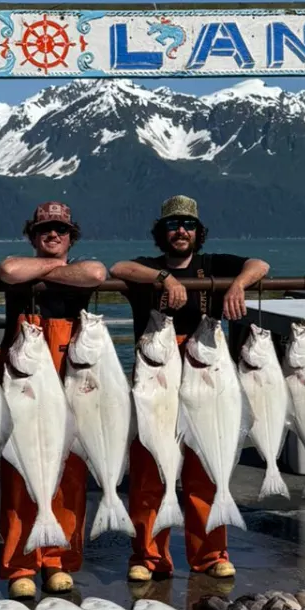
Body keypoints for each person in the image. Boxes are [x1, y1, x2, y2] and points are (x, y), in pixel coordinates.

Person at [109, 194, 270, 584]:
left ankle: (211, 553)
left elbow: (260, 264)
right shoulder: (147, 269)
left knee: (205, 468)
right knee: (150, 469)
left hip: (206, 375)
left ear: (199, 232)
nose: (181, 232)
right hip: (157, 376)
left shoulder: (214, 266)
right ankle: (147, 556)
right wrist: (164, 278)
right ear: (161, 233)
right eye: (172, 226)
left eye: (188, 226)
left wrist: (237, 286)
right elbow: (117, 267)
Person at [0, 201, 106, 600]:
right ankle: (20, 564)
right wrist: (57, 270)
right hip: (24, 378)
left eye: (60, 230)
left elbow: (95, 273)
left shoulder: (83, 269)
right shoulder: (17, 267)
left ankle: (59, 560)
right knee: (20, 469)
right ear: (32, 235)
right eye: (44, 230)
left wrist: (43, 271)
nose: (53, 235)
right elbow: (8, 271)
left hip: (71, 374)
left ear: (72, 236)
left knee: (70, 467)